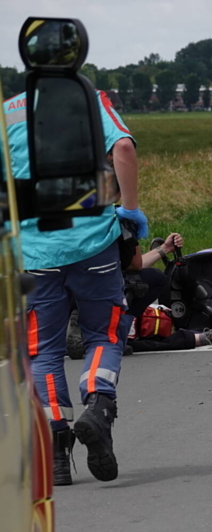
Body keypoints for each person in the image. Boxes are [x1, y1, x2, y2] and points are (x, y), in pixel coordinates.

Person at [4, 89, 144, 486]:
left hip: (36, 255)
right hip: (94, 245)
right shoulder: (87, 99)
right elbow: (123, 148)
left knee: (44, 352)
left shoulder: (7, 113)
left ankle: (56, 449)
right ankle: (98, 405)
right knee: (105, 334)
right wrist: (130, 209)